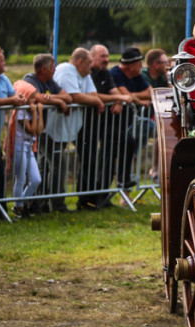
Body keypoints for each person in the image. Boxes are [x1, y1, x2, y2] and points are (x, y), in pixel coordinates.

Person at [78, 45, 133, 208]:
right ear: (92, 57)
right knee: (90, 161)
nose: (106, 60)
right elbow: (94, 95)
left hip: (106, 123)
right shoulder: (89, 74)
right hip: (89, 123)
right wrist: (118, 98)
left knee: (122, 145)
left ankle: (102, 196)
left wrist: (117, 99)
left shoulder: (106, 73)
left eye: (108, 56)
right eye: (103, 56)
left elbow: (114, 92)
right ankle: (87, 199)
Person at [51, 49, 105, 211]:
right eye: (89, 63)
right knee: (54, 165)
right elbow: (75, 96)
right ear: (80, 62)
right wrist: (95, 101)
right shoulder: (66, 69)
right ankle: (51, 203)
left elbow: (93, 94)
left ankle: (85, 199)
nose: (92, 66)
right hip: (56, 126)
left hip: (74, 125)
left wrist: (94, 99)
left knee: (85, 159)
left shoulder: (84, 73)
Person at [24, 54, 73, 213]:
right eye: (52, 67)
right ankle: (45, 204)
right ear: (42, 69)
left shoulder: (49, 82)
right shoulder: (30, 79)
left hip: (42, 131)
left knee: (43, 167)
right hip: (29, 132)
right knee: (51, 165)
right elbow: (36, 97)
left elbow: (68, 97)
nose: (54, 70)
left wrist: (51, 97)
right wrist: (58, 101)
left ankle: (40, 204)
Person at [0, 46, 28, 218]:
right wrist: (10, 100)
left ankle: (0, 212)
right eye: (2, 61)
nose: (5, 64)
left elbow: (15, 97)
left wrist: (18, 98)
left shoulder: (3, 79)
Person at [109, 47, 151, 190]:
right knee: (121, 148)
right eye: (139, 63)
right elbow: (125, 94)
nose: (142, 66)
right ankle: (119, 182)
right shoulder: (115, 73)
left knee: (131, 144)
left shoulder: (136, 75)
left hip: (128, 120)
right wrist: (133, 98)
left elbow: (150, 93)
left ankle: (124, 181)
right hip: (113, 121)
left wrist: (132, 97)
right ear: (131, 66)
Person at [7, 80, 43, 219]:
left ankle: (20, 205)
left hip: (28, 146)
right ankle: (19, 206)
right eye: (32, 97)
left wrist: (38, 112)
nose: (35, 100)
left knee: (36, 179)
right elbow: (32, 129)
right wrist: (35, 113)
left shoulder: (32, 109)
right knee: (20, 178)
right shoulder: (21, 111)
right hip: (19, 146)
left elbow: (39, 130)